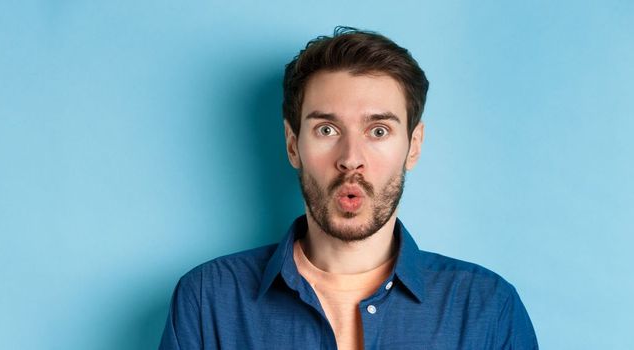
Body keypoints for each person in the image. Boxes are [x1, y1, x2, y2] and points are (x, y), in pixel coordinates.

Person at [159, 26, 537, 350]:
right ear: (293, 145)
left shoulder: (487, 308)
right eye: (327, 130)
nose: (351, 158)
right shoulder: (208, 300)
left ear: (414, 146)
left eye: (378, 131)